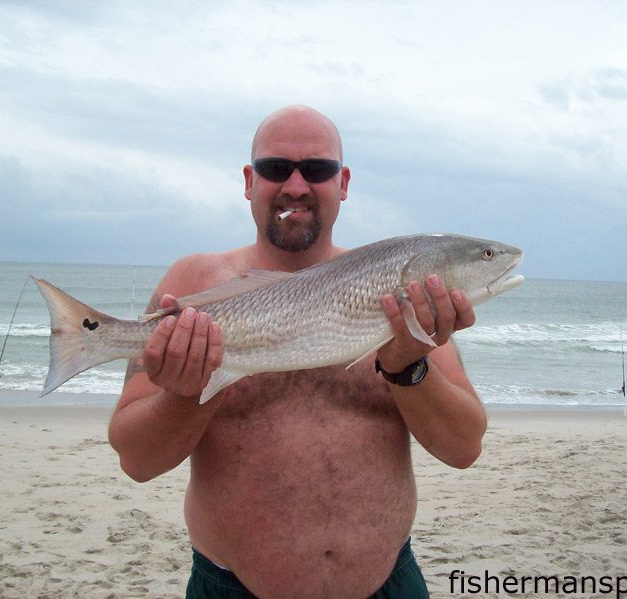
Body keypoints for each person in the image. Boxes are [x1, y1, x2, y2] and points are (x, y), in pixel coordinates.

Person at [108, 105, 487, 599]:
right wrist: (184, 395)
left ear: (343, 182)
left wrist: (407, 365)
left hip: (390, 583)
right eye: (274, 168)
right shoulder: (194, 285)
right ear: (249, 180)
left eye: (317, 170)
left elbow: (464, 448)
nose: (295, 185)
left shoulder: (397, 289)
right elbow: (136, 460)